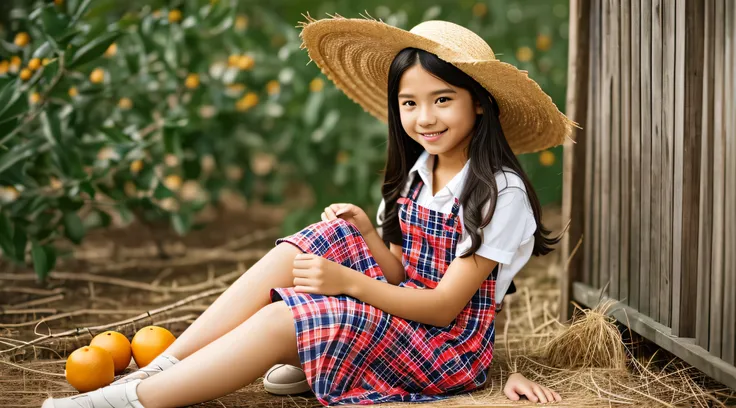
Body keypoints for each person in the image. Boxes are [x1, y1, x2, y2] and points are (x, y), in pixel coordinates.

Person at [43, 16, 573, 408]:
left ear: (478, 102)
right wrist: (366, 235)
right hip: (403, 316)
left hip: (445, 350)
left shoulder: (497, 193)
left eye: (442, 100)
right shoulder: (416, 175)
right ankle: (166, 364)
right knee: (322, 237)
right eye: (409, 104)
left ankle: (130, 401)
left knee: (286, 313)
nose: (424, 118)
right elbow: (400, 273)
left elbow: (439, 309)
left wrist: (346, 282)